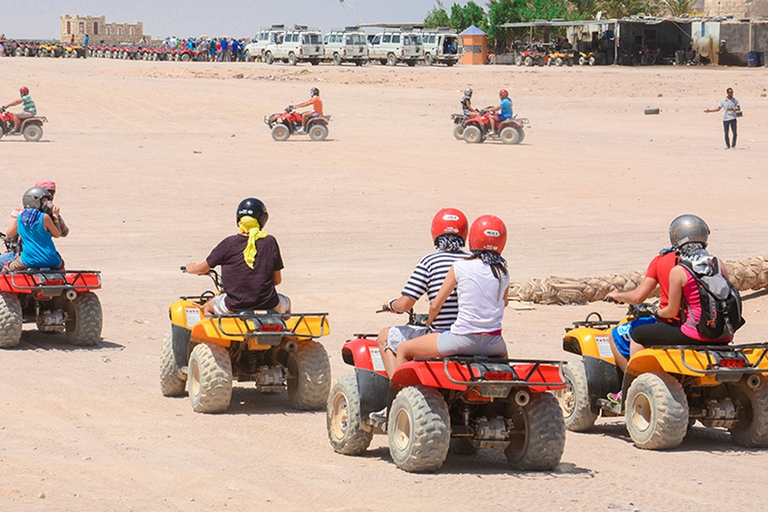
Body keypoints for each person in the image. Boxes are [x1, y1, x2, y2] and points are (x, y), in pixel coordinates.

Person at [393, 215, 510, 371]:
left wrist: (429, 323)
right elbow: (504, 303)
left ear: (473, 238)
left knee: (403, 349)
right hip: (495, 343)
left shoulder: (461, 267)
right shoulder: (503, 272)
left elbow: (435, 305)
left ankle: (404, 393)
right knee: (508, 372)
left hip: (462, 339)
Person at [377, 208, 470, 377]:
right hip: (470, 336)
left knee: (385, 336)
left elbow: (405, 304)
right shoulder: (473, 262)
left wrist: (391, 304)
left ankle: (399, 395)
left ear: (435, 233)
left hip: (440, 337)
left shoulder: (429, 261)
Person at [630, 215, 733, 352]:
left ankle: (638, 374)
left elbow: (671, 312)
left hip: (695, 333)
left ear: (676, 239)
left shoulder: (679, 271)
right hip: (724, 334)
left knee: (637, 334)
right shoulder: (717, 264)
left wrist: (657, 313)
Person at [184, 198, 290, 316]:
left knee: (208, 307)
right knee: (287, 303)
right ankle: (286, 332)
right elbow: (277, 280)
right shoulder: (270, 242)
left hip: (234, 305)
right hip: (269, 304)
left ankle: (211, 334)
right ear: (262, 219)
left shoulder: (228, 244)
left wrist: (191, 268)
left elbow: (202, 268)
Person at [1, 179, 69, 268]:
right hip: (51, 258)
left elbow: (10, 235)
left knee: (6, 269)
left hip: (27, 257)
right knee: (61, 265)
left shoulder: (21, 216)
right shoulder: (48, 213)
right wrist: (56, 217)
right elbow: (60, 233)